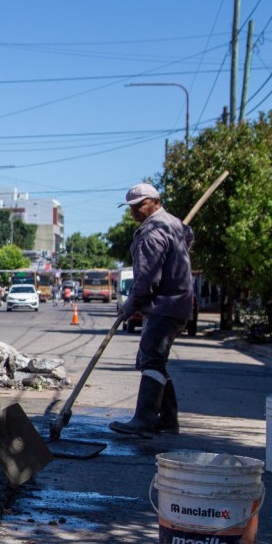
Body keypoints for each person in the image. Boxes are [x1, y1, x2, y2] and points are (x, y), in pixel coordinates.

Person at [109, 183, 193, 438]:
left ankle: (144, 421)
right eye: (131, 208)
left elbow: (147, 280)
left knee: (152, 360)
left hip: (164, 306)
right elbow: (189, 237)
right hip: (179, 304)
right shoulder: (173, 224)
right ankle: (167, 420)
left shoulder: (151, 233)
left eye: (139, 205)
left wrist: (130, 304)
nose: (134, 212)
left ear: (155, 202)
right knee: (154, 360)